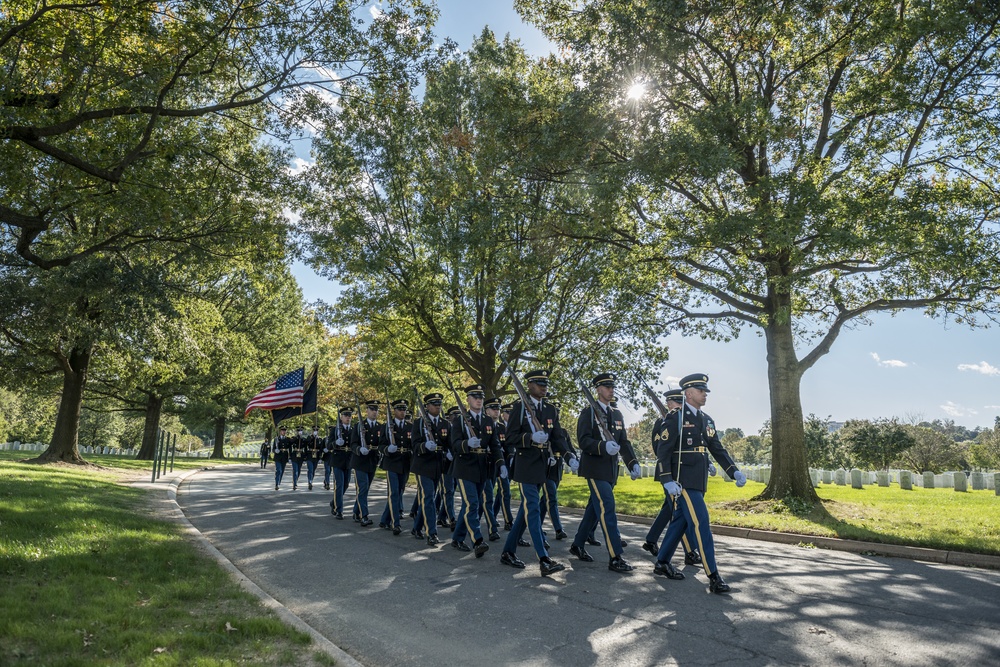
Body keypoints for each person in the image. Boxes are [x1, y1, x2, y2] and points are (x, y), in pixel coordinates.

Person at [653, 373, 747, 593]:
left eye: (705, 391)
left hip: (699, 480)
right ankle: (713, 576)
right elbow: (663, 452)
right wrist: (667, 479)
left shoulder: (707, 420)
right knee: (701, 522)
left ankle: (662, 562)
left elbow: (717, 449)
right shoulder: (675, 417)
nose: (705, 394)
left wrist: (733, 471)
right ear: (689, 393)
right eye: (701, 391)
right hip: (683, 481)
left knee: (680, 522)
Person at [499, 369, 571, 577]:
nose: (544, 387)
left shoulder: (549, 410)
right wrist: (530, 438)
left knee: (525, 512)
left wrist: (568, 455)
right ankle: (544, 559)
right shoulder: (519, 408)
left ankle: (507, 552)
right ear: (529, 385)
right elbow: (510, 437)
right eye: (540, 383)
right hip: (525, 466)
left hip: (543, 466)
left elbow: (557, 436)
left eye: (546, 383)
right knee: (533, 508)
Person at [568, 372, 640, 573]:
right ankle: (615, 556)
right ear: (598, 390)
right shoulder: (588, 413)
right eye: (607, 387)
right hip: (594, 469)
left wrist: (632, 462)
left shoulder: (616, 414)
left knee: (594, 508)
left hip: (610, 470)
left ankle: (577, 544)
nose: (611, 390)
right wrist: (602, 446)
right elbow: (583, 441)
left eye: (612, 387)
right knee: (607, 506)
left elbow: (623, 442)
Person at [642, 388, 704, 565]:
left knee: (669, 509)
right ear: (669, 404)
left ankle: (651, 540)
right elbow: (660, 450)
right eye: (677, 403)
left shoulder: (687, 419)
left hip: (684, 474)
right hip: (669, 474)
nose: (679, 407)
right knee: (679, 511)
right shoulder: (662, 422)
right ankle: (690, 551)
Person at [449, 385, 504, 558]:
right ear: (468, 400)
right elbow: (455, 444)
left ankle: (457, 538)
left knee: (470, 505)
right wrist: (466, 444)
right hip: (464, 467)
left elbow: (494, 444)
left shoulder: (488, 421)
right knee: (472, 503)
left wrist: (500, 463)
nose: (479, 400)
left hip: (482, 468)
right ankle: (477, 540)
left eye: (480, 396)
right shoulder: (459, 420)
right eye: (475, 397)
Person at [411, 392, 450, 546]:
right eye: (435, 404)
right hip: (423, 465)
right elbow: (414, 445)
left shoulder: (445, 423)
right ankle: (431, 533)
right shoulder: (418, 423)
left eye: (439, 404)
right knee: (428, 498)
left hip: (438, 465)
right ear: (427, 407)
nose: (438, 407)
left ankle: (416, 527)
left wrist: (450, 452)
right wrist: (424, 446)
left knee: (430, 499)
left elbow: (448, 443)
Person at [379, 399, 412, 535]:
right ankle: (395, 523)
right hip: (392, 462)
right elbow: (380, 445)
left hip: (405, 463)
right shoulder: (387, 426)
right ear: (394, 411)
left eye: (404, 409)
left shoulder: (410, 427)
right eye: (400, 409)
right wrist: (387, 449)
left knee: (399, 492)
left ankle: (384, 519)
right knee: (394, 492)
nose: (402, 412)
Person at [350, 400, 382, 526]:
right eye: (372, 409)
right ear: (367, 411)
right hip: (359, 461)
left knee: (365, 489)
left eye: (376, 410)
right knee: (363, 488)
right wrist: (359, 449)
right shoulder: (359, 426)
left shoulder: (380, 427)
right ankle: (364, 515)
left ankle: (355, 511)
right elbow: (353, 444)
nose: (374, 412)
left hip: (372, 461)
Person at [492, 402, 515, 530]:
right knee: (497, 492)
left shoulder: (509, 427)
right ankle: (504, 520)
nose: (510, 415)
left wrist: (511, 457)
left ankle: (499, 518)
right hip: (493, 463)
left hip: (505, 464)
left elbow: (509, 446)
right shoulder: (496, 427)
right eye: (508, 413)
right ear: (503, 414)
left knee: (503, 491)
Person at [328, 408, 354, 518]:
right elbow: (328, 446)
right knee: (339, 485)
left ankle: (334, 501)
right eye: (346, 415)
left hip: (348, 461)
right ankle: (339, 510)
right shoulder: (335, 430)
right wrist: (335, 443)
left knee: (346, 484)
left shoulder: (353, 429)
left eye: (349, 415)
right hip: (337, 460)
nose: (348, 417)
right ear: (341, 417)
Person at [305, 426, 322, 491]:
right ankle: (310, 481)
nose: (315, 431)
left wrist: (320, 457)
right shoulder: (309, 437)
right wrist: (313, 437)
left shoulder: (319, 439)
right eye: (314, 430)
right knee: (310, 469)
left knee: (313, 470)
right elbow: (307, 444)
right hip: (310, 455)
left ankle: (311, 479)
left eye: (317, 430)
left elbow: (320, 449)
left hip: (316, 455)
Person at [272, 426, 290, 490]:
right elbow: (273, 449)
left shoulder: (287, 439)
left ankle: (279, 481)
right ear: (280, 431)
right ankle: (277, 484)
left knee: (282, 471)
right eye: (282, 430)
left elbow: (290, 448)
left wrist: (290, 457)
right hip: (278, 457)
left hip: (284, 456)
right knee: (278, 470)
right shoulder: (276, 439)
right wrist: (275, 450)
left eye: (285, 430)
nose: (284, 431)